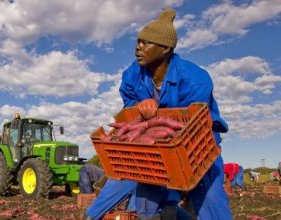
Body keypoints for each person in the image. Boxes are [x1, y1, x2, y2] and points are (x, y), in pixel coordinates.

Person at [86, 8, 231, 220]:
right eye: (138, 42)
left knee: (210, 201)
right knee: (140, 193)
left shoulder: (194, 78)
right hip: (150, 152)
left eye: (146, 43)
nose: (138, 48)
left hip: (196, 149)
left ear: (165, 48)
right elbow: (129, 99)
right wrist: (138, 106)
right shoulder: (133, 73)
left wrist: (157, 114)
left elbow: (193, 121)